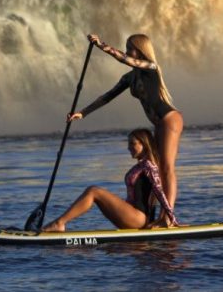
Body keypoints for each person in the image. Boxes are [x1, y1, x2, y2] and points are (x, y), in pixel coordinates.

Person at [68, 33, 183, 226]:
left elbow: (124, 58)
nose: (128, 51)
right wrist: (83, 113)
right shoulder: (130, 78)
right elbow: (107, 96)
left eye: (131, 48)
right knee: (159, 169)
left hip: (169, 119)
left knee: (166, 167)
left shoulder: (151, 68)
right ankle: (158, 215)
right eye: (127, 47)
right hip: (159, 124)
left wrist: (102, 45)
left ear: (140, 50)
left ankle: (167, 218)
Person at [42, 128, 177, 232]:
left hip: (138, 218)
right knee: (96, 196)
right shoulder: (141, 165)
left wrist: (170, 216)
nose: (128, 147)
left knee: (94, 191)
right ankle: (59, 223)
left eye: (132, 143)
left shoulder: (149, 166)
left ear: (144, 144)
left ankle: (59, 223)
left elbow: (159, 191)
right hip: (133, 215)